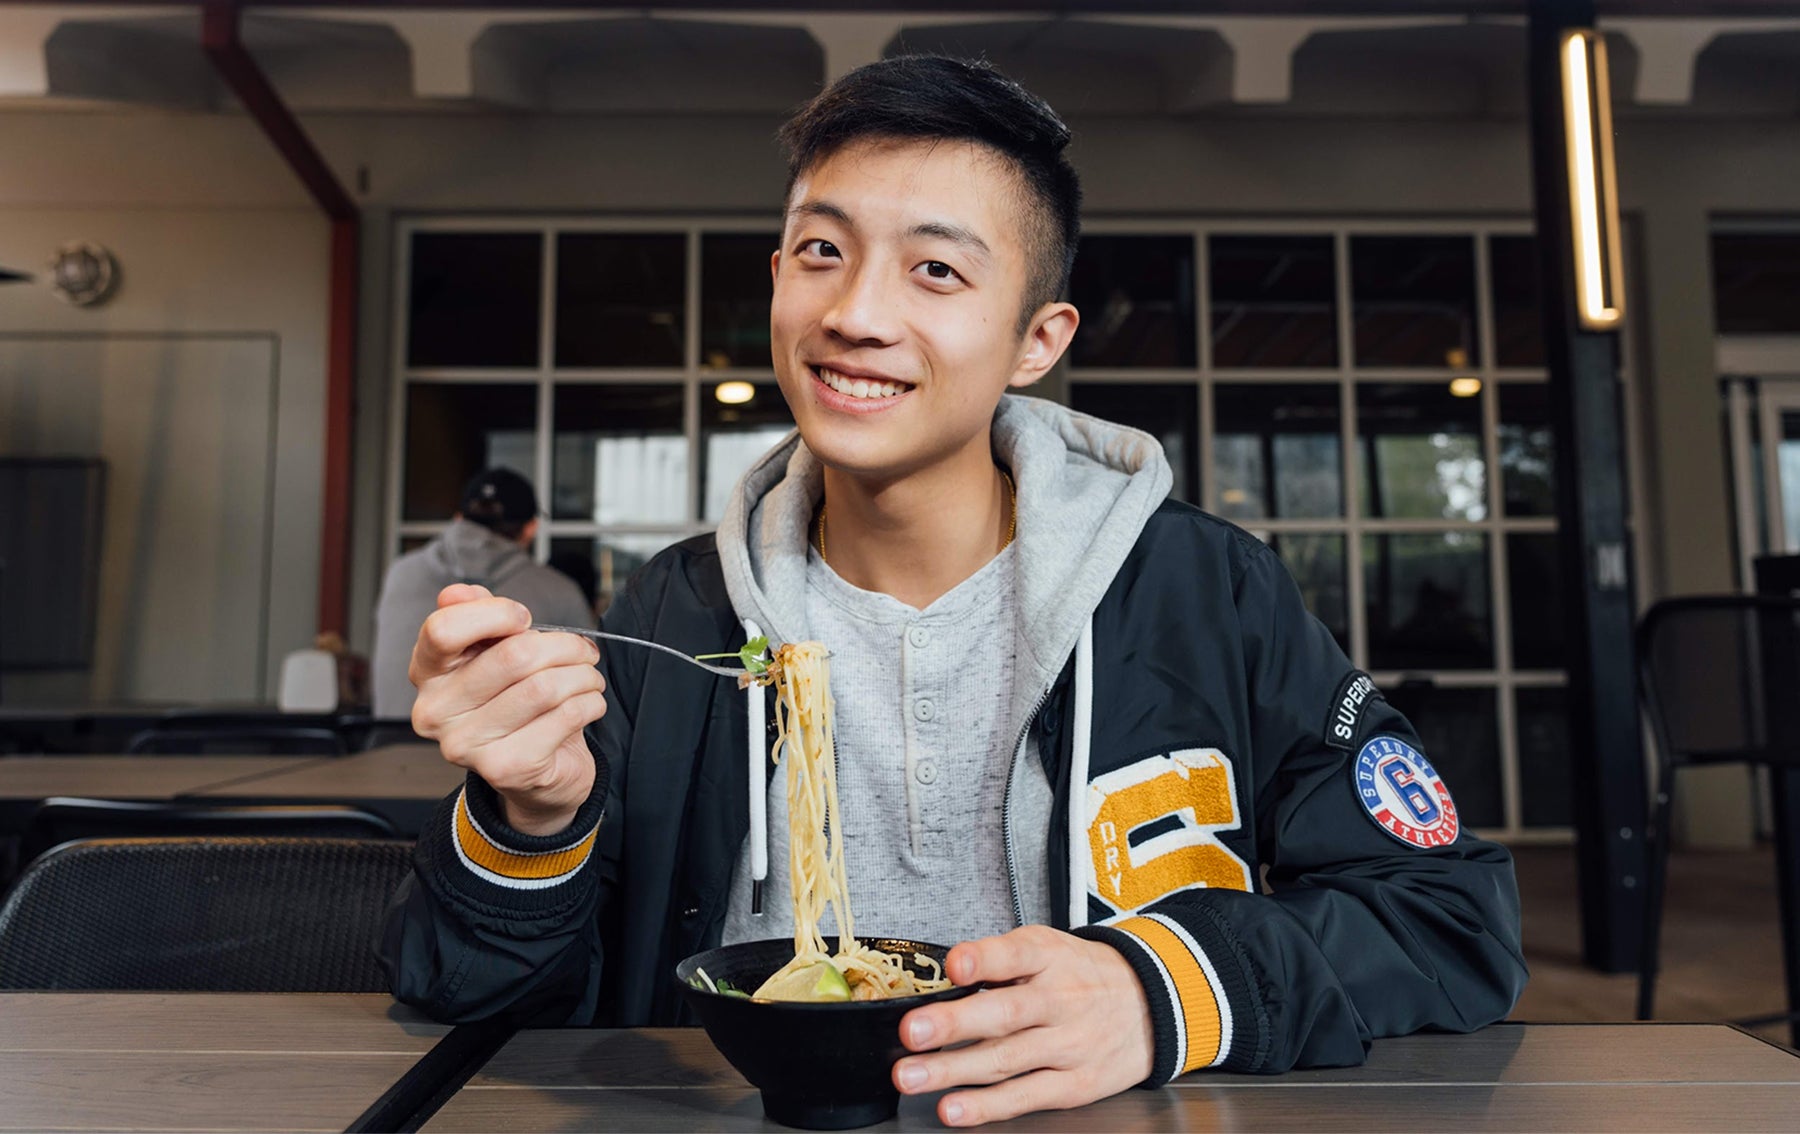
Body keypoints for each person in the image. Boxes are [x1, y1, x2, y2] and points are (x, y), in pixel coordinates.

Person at [382, 56, 1526, 1126]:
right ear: (778, 277)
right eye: (822, 251)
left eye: (936, 269)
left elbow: (1449, 917)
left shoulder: (1201, 591)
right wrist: (529, 823)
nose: (856, 315)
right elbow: (488, 1007)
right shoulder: (679, 615)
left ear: (1038, 338)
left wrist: (1163, 987)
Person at [369, 467, 594, 718]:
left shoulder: (400, 573)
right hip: (496, 752)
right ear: (531, 528)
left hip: (388, 745)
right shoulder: (559, 590)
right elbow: (594, 687)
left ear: (458, 519)